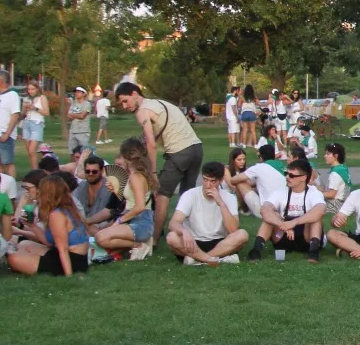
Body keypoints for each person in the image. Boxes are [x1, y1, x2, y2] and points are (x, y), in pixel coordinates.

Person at [113, 81, 204, 236]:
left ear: (135, 94)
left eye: (125, 101)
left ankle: (153, 240)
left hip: (179, 151)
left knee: (162, 195)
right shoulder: (159, 103)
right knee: (188, 196)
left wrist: (153, 173)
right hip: (197, 148)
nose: (124, 106)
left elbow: (151, 143)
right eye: (121, 104)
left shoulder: (142, 111)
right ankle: (195, 233)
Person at [165, 161, 248, 266]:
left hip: (219, 242)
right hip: (193, 241)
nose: (208, 185)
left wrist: (221, 203)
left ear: (221, 181)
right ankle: (212, 259)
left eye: (213, 181)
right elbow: (174, 223)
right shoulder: (190, 195)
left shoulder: (229, 198)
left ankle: (199, 259)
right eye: (205, 180)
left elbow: (233, 230)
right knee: (172, 237)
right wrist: (184, 232)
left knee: (242, 235)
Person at [249, 158, 326, 262]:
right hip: (283, 235)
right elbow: (264, 210)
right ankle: (256, 250)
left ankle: (313, 252)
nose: (287, 177)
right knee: (272, 215)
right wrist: (283, 225)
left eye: (292, 175)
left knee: (315, 218)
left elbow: (320, 210)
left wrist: (294, 223)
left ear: (303, 177)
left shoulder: (314, 193)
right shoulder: (280, 192)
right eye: (286, 173)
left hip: (306, 237)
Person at [73, 153, 120, 234]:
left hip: (104, 224)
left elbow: (111, 212)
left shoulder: (110, 186)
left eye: (94, 171)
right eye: (87, 171)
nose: (90, 174)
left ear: (102, 171)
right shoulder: (80, 187)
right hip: (83, 223)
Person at [19, 81, 49, 168]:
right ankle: (34, 170)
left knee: (32, 150)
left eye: (32, 89)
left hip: (37, 123)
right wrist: (24, 109)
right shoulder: (26, 99)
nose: (30, 91)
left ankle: (37, 171)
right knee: (29, 151)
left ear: (37, 89)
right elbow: (22, 115)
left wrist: (35, 108)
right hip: (27, 123)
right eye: (29, 89)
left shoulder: (41, 98)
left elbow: (46, 112)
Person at [63, 86, 93, 156]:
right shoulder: (73, 104)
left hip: (83, 131)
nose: (76, 93)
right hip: (73, 131)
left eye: (79, 92)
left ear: (84, 94)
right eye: (75, 92)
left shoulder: (87, 104)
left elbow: (82, 116)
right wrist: (75, 114)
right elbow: (68, 117)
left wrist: (73, 115)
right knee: (72, 152)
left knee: (84, 152)